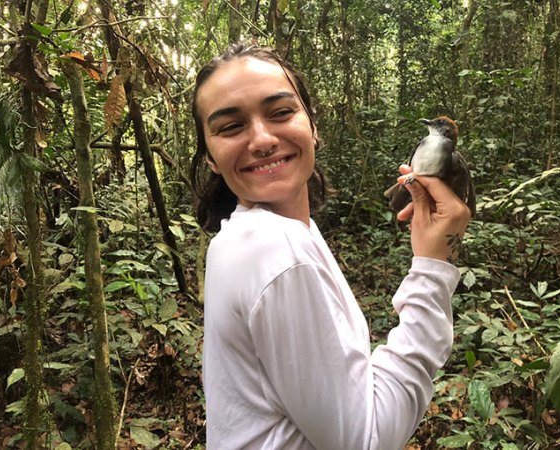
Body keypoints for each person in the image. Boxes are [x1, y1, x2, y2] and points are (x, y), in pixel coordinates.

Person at [190, 43, 471, 450]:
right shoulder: (274, 249)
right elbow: (364, 441)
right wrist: (433, 266)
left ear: (312, 126)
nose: (263, 139)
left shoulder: (248, 234)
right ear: (212, 157)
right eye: (231, 126)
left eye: (281, 112)